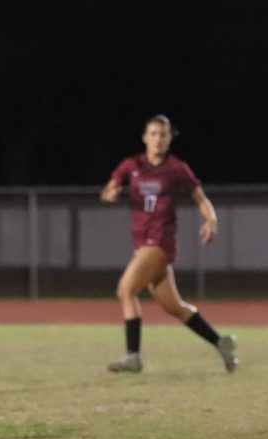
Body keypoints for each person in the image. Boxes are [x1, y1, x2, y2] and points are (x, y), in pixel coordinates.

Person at [100, 114, 238, 373]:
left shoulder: (176, 168)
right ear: (145, 138)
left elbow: (200, 199)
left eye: (163, 135)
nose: (158, 139)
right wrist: (111, 194)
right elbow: (108, 190)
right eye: (153, 134)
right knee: (174, 307)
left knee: (125, 290)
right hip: (143, 245)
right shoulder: (132, 165)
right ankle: (221, 343)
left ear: (168, 139)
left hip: (161, 243)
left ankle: (133, 356)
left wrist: (212, 221)